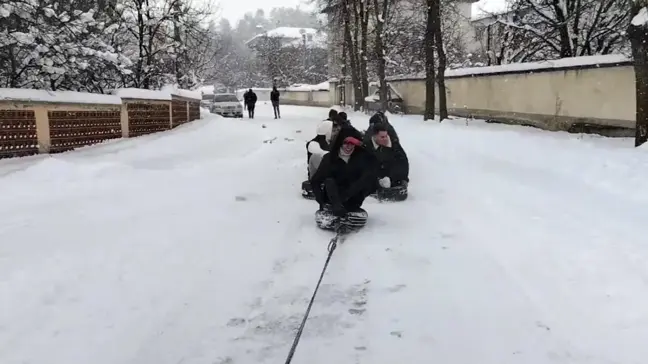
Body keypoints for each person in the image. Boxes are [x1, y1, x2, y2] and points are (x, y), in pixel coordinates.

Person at [309, 126, 378, 231]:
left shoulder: (360, 158)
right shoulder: (329, 158)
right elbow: (315, 181)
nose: (349, 147)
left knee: (367, 177)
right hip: (332, 199)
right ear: (340, 143)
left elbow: (371, 177)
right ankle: (336, 209)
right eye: (346, 143)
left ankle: (349, 208)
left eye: (352, 144)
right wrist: (322, 202)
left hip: (351, 198)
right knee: (329, 181)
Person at [365, 123, 409, 190]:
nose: (385, 139)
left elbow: (403, 163)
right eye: (382, 137)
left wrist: (392, 178)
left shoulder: (394, 145)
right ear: (374, 137)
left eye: (386, 136)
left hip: (393, 178)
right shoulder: (367, 146)